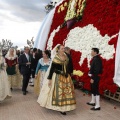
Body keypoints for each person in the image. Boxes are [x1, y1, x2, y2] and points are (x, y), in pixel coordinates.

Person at [37, 44, 76, 115]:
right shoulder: (56, 58)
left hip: (66, 77)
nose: (63, 50)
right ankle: (60, 108)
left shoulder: (66, 56)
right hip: (58, 76)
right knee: (59, 92)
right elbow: (52, 69)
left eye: (64, 48)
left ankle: (65, 107)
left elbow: (68, 66)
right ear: (58, 50)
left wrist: (68, 73)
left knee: (66, 92)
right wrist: (50, 79)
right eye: (62, 49)